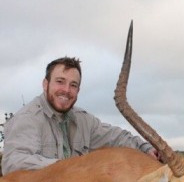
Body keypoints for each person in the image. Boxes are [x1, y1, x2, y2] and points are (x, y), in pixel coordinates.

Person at [2, 57, 159, 175]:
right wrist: (72, 167)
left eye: (73, 85)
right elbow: (14, 163)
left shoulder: (83, 120)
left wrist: (146, 148)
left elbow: (116, 137)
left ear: (78, 90)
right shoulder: (28, 118)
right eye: (60, 82)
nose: (66, 90)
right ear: (45, 84)